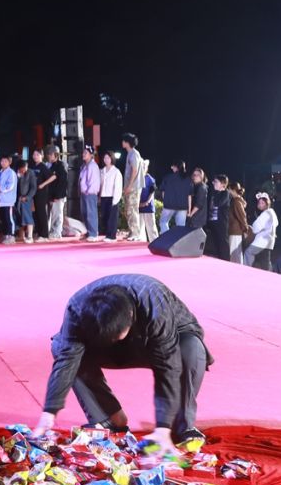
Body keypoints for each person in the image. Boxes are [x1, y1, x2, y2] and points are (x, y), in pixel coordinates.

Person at [36, 274, 212, 449]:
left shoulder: (154, 303)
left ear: (130, 315)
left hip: (160, 340)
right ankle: (108, 418)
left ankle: (181, 425)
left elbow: (168, 367)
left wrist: (163, 427)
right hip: (109, 345)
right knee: (60, 345)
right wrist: (49, 412)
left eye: (116, 336)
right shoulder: (77, 307)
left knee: (191, 347)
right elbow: (67, 359)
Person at [118, 135, 149, 243]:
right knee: (129, 210)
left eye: (123, 140)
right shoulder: (130, 153)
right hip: (131, 186)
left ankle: (136, 234)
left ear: (127, 142)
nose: (122, 142)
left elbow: (135, 170)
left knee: (132, 210)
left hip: (134, 187)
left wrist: (129, 186)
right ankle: (132, 232)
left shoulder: (134, 154)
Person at [38, 145, 67, 241]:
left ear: (56, 155)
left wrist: (58, 196)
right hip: (50, 194)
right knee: (51, 214)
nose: (49, 156)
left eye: (51, 155)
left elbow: (63, 182)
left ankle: (57, 232)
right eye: (48, 155)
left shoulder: (61, 165)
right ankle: (51, 231)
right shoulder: (50, 165)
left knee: (57, 214)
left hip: (58, 195)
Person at [247, 191, 280, 270]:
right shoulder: (272, 212)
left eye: (262, 203)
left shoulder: (265, 214)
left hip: (262, 240)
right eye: (259, 203)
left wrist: (252, 227)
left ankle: (246, 270)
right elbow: (276, 223)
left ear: (267, 203)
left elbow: (256, 228)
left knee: (248, 253)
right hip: (269, 240)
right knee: (265, 261)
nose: (260, 204)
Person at [75, 144, 101, 239]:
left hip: (90, 193)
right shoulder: (84, 166)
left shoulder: (93, 166)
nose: (83, 154)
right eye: (83, 152)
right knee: (85, 213)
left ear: (91, 155)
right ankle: (88, 233)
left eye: (86, 153)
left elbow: (94, 181)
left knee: (91, 213)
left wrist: (88, 191)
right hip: (84, 193)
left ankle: (93, 233)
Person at [97, 150, 123, 241]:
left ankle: (112, 236)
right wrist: (99, 196)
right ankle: (106, 234)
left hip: (112, 197)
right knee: (105, 216)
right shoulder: (102, 171)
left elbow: (118, 186)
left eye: (108, 158)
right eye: (105, 158)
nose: (106, 159)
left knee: (112, 217)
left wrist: (115, 200)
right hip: (103, 196)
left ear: (112, 159)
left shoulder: (116, 171)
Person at [0, 155, 18, 243]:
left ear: (9, 162)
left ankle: (11, 236)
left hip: (8, 200)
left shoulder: (11, 173)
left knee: (9, 218)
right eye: (2, 161)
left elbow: (10, 186)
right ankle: (5, 235)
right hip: (1, 200)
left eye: (5, 161)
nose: (3, 163)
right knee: (3, 218)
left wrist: (0, 188)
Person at [13, 153, 37, 243]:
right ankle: (21, 236)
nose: (24, 170)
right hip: (17, 199)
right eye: (22, 169)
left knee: (28, 217)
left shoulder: (30, 173)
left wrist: (27, 197)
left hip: (27, 199)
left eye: (25, 168)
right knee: (19, 218)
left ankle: (30, 236)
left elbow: (33, 188)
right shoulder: (15, 173)